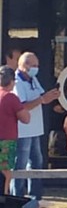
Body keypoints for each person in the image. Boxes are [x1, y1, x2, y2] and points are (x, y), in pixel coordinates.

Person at [12, 52, 60, 200]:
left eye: (37, 66)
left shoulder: (32, 79)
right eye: (33, 66)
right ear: (24, 66)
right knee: (20, 164)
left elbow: (41, 96)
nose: (36, 68)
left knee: (36, 162)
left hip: (35, 129)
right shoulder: (17, 83)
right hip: (23, 130)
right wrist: (42, 99)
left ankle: (35, 195)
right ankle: (17, 197)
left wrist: (50, 96)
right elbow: (22, 106)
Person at [0, 67, 30, 195]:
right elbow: (25, 119)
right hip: (7, 140)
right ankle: (3, 197)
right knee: (5, 171)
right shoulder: (11, 98)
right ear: (12, 81)